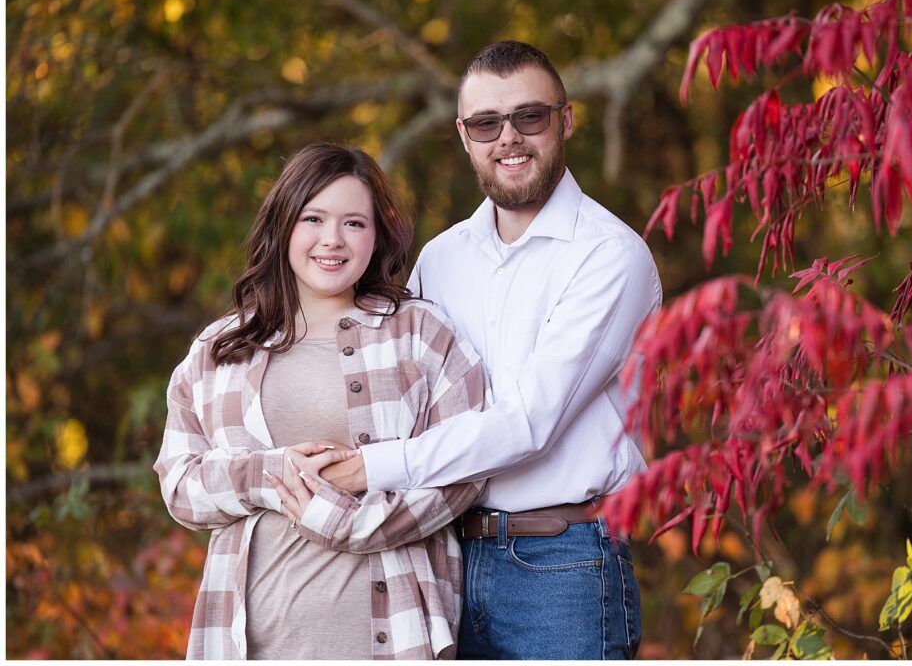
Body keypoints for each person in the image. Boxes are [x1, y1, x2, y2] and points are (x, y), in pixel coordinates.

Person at [316, 41, 662, 659]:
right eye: (486, 123)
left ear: (567, 119)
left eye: (530, 116)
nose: (510, 138)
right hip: (443, 552)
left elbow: (530, 424)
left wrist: (371, 468)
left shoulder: (610, 256)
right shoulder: (441, 260)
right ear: (464, 134)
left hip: (563, 564)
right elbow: (401, 391)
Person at [154, 143, 488, 659]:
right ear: (284, 224)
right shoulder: (219, 350)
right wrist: (274, 472)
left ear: (377, 236)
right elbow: (179, 486)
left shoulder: (421, 335)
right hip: (247, 641)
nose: (332, 240)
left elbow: (465, 470)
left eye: (354, 223)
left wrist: (341, 522)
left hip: (392, 640)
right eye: (314, 218)